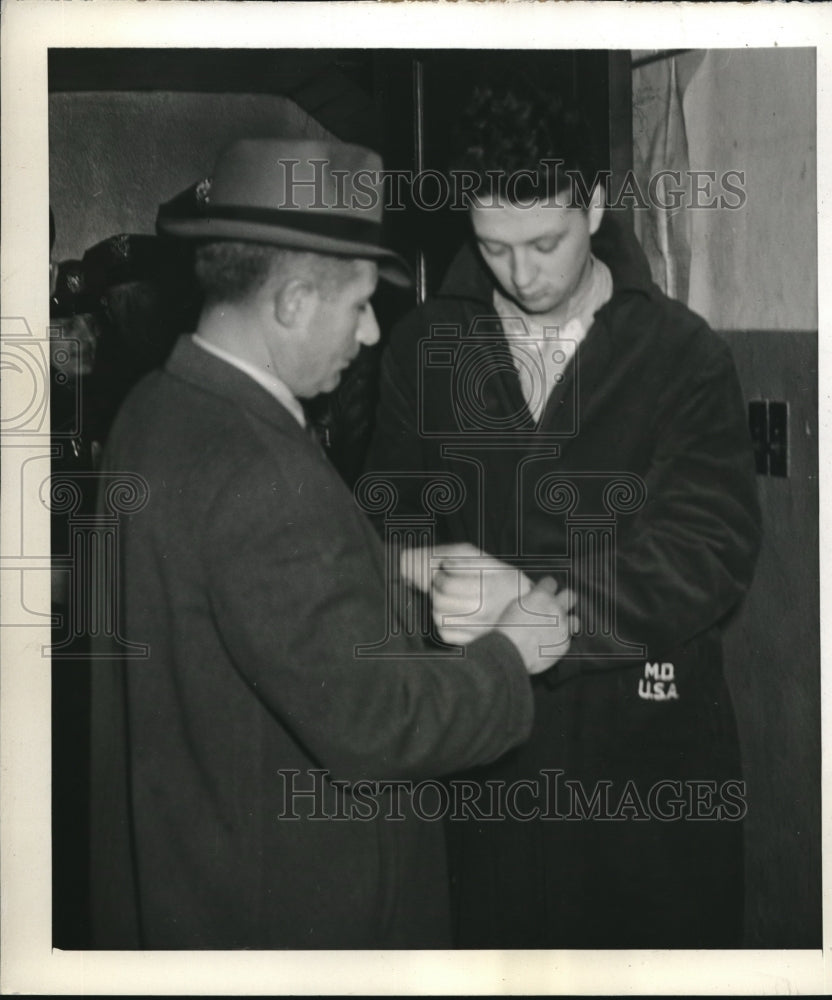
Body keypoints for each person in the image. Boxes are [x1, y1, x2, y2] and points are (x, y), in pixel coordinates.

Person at [88, 137, 577, 950]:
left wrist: (389, 569)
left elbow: (229, 585)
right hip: (292, 909)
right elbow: (376, 727)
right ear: (293, 303)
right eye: (358, 305)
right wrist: (509, 652)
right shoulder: (262, 468)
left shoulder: (157, 407)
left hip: (191, 871)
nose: (375, 332)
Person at [365, 82, 762, 948]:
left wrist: (536, 608)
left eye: (545, 242)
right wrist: (413, 576)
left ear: (593, 203)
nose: (522, 273)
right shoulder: (425, 348)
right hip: (485, 755)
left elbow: (708, 553)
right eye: (493, 246)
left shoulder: (681, 354)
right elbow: (384, 520)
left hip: (646, 763)